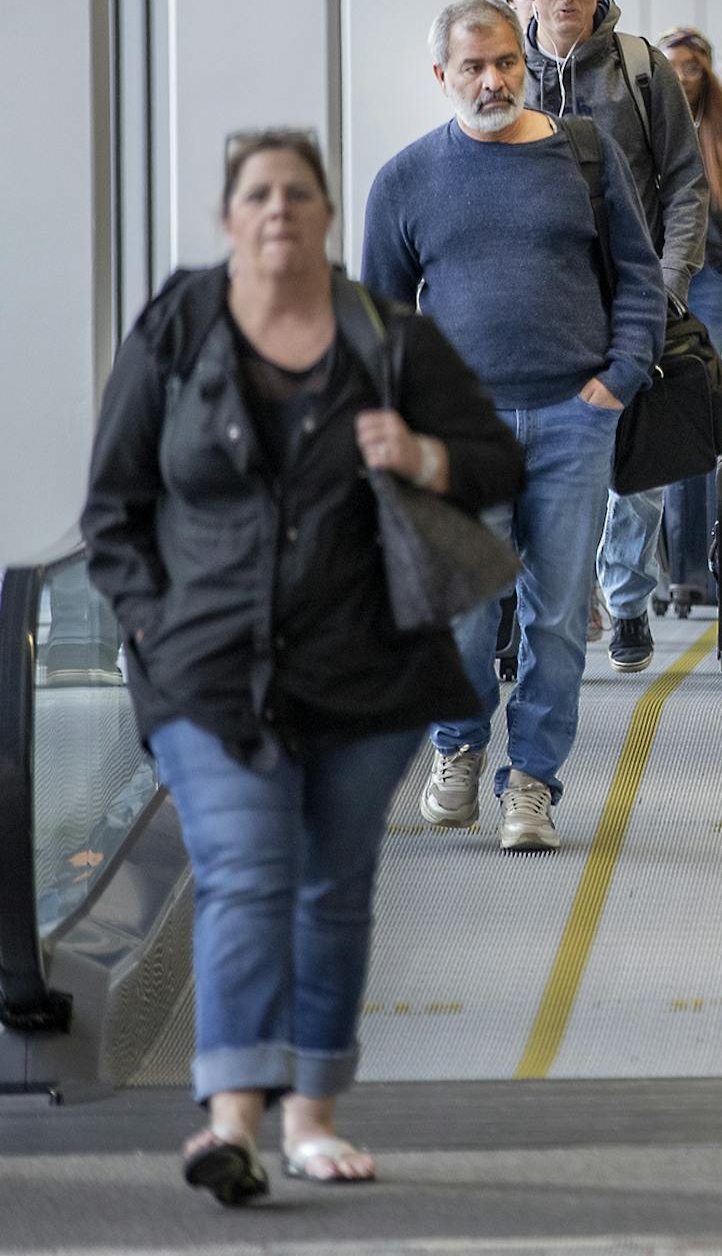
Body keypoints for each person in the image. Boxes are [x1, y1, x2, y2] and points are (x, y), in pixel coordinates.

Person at [83, 131, 523, 1201]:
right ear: (228, 218)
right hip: (208, 673)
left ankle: (313, 1117)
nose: (278, 208)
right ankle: (231, 1122)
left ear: (328, 216)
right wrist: (154, 630)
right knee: (245, 870)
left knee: (332, 888)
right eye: (258, 194)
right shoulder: (177, 330)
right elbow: (114, 508)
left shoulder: (390, 337)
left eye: (298, 193)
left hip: (367, 672)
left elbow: (498, 462)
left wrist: (421, 454)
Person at [364, 0, 664, 853]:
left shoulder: (584, 155)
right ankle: (459, 745)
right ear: (442, 76)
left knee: (558, 617)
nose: (493, 80)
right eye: (473, 67)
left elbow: (638, 277)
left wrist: (619, 377)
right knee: (465, 609)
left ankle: (532, 782)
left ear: (522, 63)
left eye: (504, 62)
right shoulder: (407, 179)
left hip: (575, 418)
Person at [520, 0, 710, 674]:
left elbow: (686, 180)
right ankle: (562, 602)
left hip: (633, 297)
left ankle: (628, 599)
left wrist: (670, 282)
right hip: (540, 307)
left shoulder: (641, 68)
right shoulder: (507, 73)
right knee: (546, 461)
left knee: (638, 459)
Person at [656, 25, 722, 610]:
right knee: (667, 419)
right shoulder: (647, 126)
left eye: (693, 67)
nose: (682, 77)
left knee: (694, 407)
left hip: (710, 279)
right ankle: (677, 568)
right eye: (673, 66)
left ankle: (699, 568)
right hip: (656, 279)